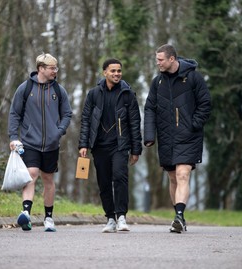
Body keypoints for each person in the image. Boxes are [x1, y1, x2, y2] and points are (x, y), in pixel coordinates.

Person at [144, 44, 211, 233]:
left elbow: (205, 103)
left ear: (171, 59)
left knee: (183, 174)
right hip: (166, 137)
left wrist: (193, 124)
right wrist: (149, 135)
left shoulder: (194, 78)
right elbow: (150, 108)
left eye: (160, 60)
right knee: (173, 178)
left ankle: (179, 216)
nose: (157, 63)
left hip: (189, 136)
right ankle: (178, 217)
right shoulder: (157, 82)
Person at [8, 53, 72, 232]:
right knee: (31, 173)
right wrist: (13, 137)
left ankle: (48, 218)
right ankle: (26, 213)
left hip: (52, 144)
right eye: (52, 68)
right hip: (30, 142)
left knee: (48, 179)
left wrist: (59, 132)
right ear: (41, 69)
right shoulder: (25, 88)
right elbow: (14, 113)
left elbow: (67, 114)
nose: (55, 71)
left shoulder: (59, 90)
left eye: (56, 68)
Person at [78, 58, 142, 233]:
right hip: (99, 145)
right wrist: (83, 144)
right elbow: (85, 120)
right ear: (104, 72)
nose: (117, 74)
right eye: (113, 71)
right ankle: (110, 218)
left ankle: (121, 217)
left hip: (120, 145)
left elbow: (135, 123)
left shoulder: (128, 94)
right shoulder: (93, 94)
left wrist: (136, 149)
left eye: (119, 71)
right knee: (104, 182)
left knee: (120, 177)